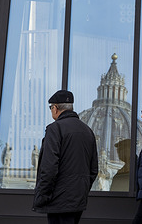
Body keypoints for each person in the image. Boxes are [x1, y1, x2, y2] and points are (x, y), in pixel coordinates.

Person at [32, 90, 98, 224]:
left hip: (58, 200)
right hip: (78, 200)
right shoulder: (88, 131)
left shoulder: (55, 129)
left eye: (51, 107)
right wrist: (81, 190)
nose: (51, 111)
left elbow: (49, 167)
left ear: (55, 108)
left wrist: (43, 195)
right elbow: (93, 170)